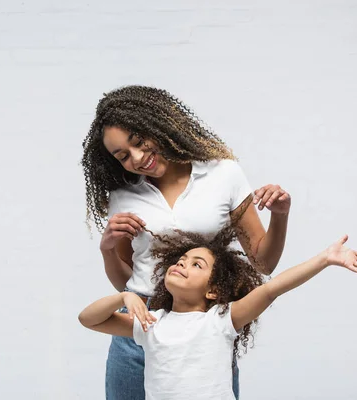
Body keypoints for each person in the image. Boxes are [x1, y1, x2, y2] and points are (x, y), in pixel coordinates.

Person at [81, 85, 291, 399]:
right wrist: (107, 247)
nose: (137, 158)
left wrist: (281, 214)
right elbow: (124, 282)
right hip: (139, 321)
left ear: (160, 125)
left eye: (139, 141)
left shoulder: (224, 175)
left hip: (202, 324)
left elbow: (263, 262)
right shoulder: (123, 195)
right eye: (122, 155)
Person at [79, 227, 357, 400]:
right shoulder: (152, 322)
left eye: (197, 264)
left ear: (212, 291)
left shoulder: (221, 320)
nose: (182, 264)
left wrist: (324, 259)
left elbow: (272, 288)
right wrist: (123, 295)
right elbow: (88, 319)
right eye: (182, 260)